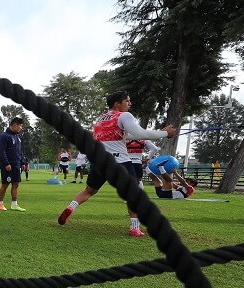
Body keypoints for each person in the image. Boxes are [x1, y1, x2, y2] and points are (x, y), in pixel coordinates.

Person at [57, 91, 176, 237]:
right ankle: (134, 228)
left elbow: (129, 135)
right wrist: (165, 134)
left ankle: (71, 207)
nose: (130, 104)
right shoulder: (124, 116)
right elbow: (138, 134)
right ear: (117, 104)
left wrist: (158, 132)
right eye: (127, 101)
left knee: (89, 191)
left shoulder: (100, 120)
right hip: (120, 162)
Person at [0, 117, 27, 211]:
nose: (21, 128)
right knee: (5, 184)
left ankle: (14, 204)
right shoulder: (4, 136)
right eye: (20, 126)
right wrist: (6, 163)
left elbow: (20, 151)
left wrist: (23, 162)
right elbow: (1, 151)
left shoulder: (17, 138)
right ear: (14, 125)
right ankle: (0, 204)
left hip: (17, 165)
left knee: (16, 184)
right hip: (8, 165)